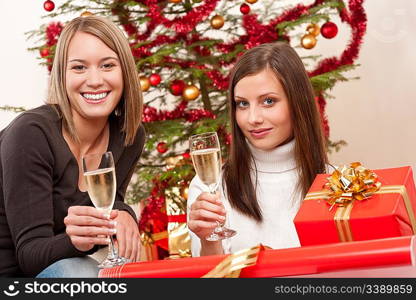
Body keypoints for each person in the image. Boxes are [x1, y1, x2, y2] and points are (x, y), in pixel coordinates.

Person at [0, 15, 145, 277]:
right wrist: (74, 242)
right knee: (79, 272)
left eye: (107, 65)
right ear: (62, 76)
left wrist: (125, 213)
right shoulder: (31, 134)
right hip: (15, 275)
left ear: (125, 71)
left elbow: (111, 203)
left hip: (59, 271)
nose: (94, 80)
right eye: (79, 68)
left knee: (125, 274)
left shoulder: (128, 135)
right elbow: (30, 256)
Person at [187, 42, 330, 256]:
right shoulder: (211, 189)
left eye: (268, 101)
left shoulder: (336, 185)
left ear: (297, 103)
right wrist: (208, 241)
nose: (253, 118)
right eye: (242, 104)